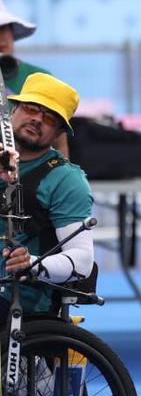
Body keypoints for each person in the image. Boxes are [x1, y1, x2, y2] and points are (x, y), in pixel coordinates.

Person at [0, 73, 93, 315]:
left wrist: (31, 263)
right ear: (14, 109)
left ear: (59, 132)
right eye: (31, 108)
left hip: (17, 300)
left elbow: (82, 261)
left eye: (50, 118)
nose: (37, 119)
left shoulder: (66, 179)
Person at [0, 0, 69, 159]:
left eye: (6, 28)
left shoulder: (41, 78)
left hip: (32, 179)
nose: (2, 37)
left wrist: (60, 181)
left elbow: (60, 145)